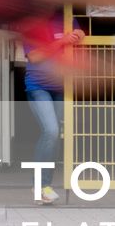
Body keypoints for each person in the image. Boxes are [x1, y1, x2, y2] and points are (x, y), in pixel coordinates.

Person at [23, 27, 82, 205]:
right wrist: (62, 41)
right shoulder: (33, 22)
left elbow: (79, 34)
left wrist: (79, 34)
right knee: (51, 130)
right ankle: (40, 185)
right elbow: (34, 56)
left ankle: (45, 187)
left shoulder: (66, 16)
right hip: (38, 86)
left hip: (61, 87)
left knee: (54, 135)